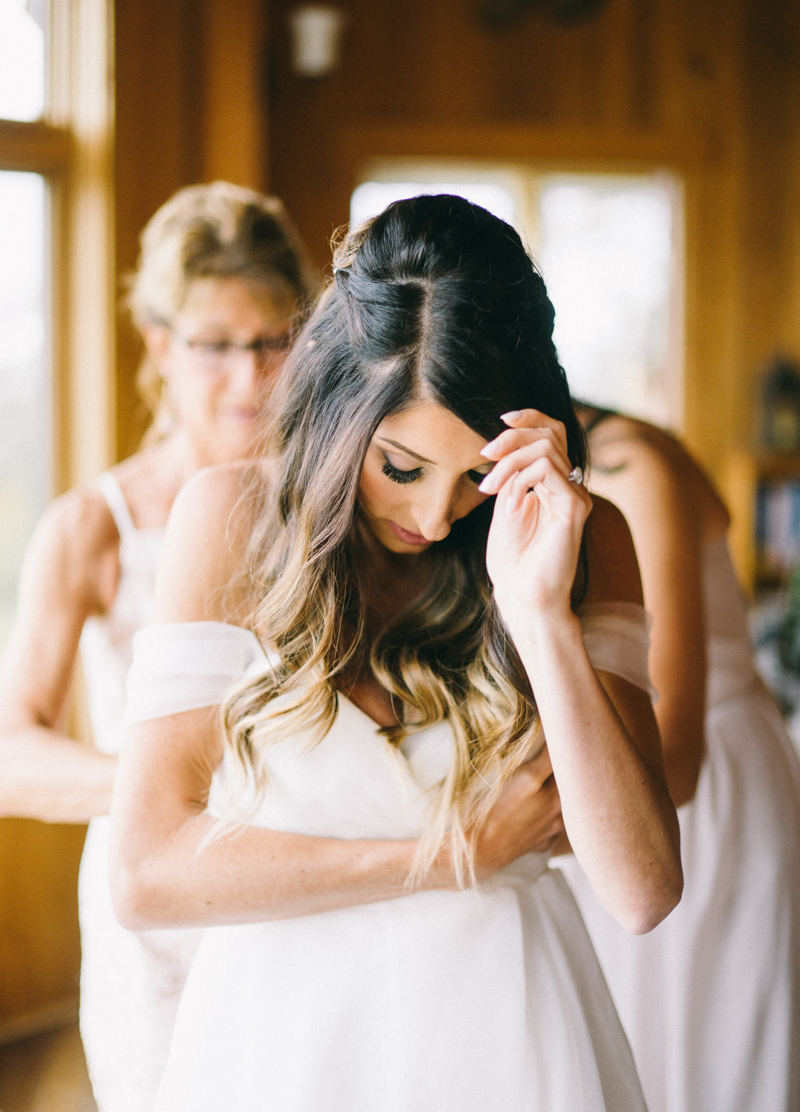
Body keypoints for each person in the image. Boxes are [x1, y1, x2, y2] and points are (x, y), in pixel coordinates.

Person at [109, 195, 682, 1112]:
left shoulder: (584, 537)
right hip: (285, 1041)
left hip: (514, 1037)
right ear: (336, 406)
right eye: (402, 467)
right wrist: (453, 853)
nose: (431, 516)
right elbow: (145, 875)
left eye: (477, 478)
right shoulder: (229, 521)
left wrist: (539, 615)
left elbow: (644, 888)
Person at [0, 181, 316, 1112]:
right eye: (216, 345)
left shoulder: (330, 514)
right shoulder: (93, 527)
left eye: (272, 341)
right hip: (159, 906)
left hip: (301, 875)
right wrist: (156, 788)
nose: (248, 376)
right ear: (162, 348)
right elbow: (11, 752)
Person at [558, 404, 800, 1112]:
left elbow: (674, 739)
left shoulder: (631, 466)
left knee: (709, 1051)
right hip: (625, 776)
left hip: (700, 786)